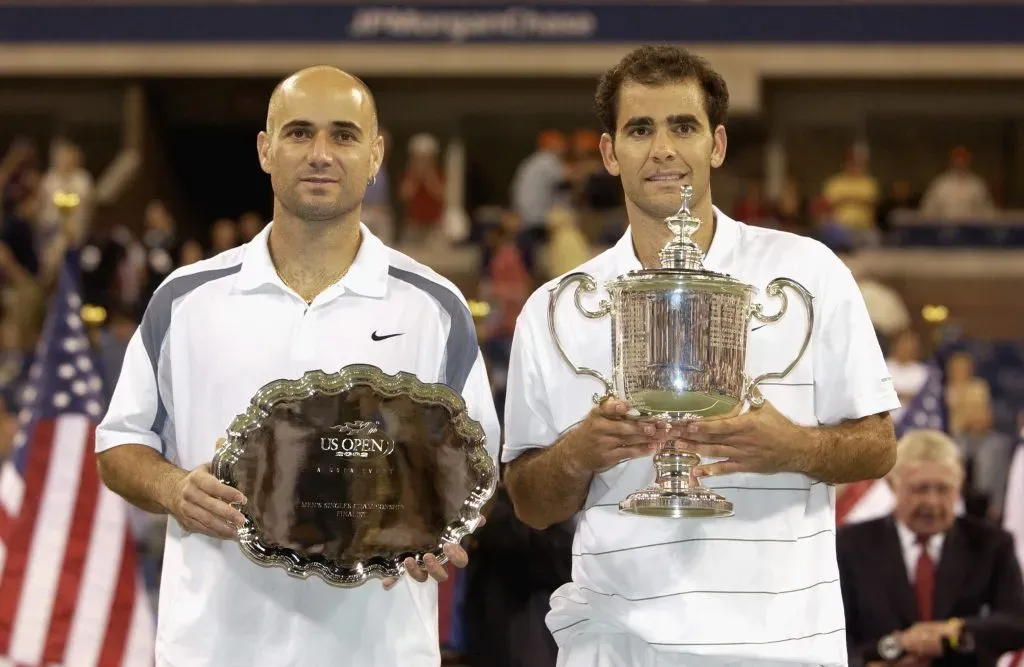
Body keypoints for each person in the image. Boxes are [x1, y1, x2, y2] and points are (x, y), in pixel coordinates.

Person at [502, 45, 900, 666]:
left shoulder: (808, 271)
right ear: (610, 153)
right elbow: (530, 501)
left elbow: (878, 445)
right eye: (640, 129)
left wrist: (791, 448)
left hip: (783, 643)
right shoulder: (555, 307)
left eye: (681, 126)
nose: (662, 149)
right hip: (618, 640)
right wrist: (580, 452)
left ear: (715, 144)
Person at [94, 66, 500, 667]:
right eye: (298, 133)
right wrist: (173, 488)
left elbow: (476, 471)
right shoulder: (184, 298)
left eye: (343, 135)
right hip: (212, 647)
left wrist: (441, 529)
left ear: (376, 155)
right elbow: (119, 447)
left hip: (378, 649)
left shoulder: (433, 305)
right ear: (265, 149)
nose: (320, 154)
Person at [838, 429, 1024, 667]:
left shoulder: (992, 543)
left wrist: (953, 633)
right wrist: (888, 650)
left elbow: (1016, 622)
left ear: (959, 485)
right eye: (920, 489)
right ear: (892, 485)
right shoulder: (850, 544)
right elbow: (832, 632)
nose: (932, 502)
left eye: (943, 489)